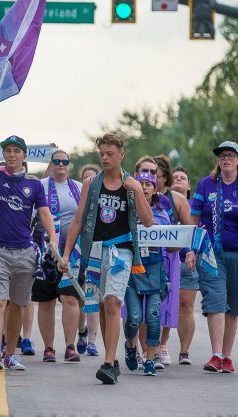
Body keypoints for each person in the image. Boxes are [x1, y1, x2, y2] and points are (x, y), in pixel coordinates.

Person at [64, 133, 153, 385]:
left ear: (121, 154)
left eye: (109, 153)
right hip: (95, 251)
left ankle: (109, 363)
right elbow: (79, 221)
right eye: (101, 153)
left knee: (113, 302)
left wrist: (137, 189)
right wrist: (68, 253)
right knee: (102, 305)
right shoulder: (92, 183)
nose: (104, 157)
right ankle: (111, 359)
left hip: (121, 251)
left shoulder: (130, 184)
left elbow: (148, 221)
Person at [0, 123, 54, 372]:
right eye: (7, 150)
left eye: (16, 151)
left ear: (24, 156)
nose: (11, 155)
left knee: (18, 305)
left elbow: (44, 212)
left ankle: (10, 354)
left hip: (25, 251)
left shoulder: (34, 185)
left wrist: (53, 239)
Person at [188, 140, 238, 374]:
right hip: (211, 254)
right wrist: (190, 249)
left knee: (234, 304)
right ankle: (216, 355)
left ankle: (227, 357)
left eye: (231, 155)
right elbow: (193, 219)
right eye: (222, 156)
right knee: (216, 301)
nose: (226, 159)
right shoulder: (206, 185)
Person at [121, 170, 177, 376]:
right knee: (134, 317)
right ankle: (130, 346)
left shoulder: (162, 214)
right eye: (140, 183)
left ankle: (150, 360)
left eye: (148, 184)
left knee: (153, 316)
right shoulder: (126, 211)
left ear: (155, 189)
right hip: (132, 270)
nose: (144, 187)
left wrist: (181, 241)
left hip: (155, 269)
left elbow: (171, 247)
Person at [34, 149, 84, 363]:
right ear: (51, 164)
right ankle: (48, 348)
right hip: (47, 251)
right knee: (47, 301)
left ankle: (70, 346)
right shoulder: (41, 186)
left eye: (65, 161)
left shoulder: (79, 188)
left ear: (69, 164)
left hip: (73, 252)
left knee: (70, 297)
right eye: (57, 161)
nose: (61, 165)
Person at [147, 155, 191, 367]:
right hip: (146, 256)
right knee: (144, 303)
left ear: (164, 178)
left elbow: (188, 230)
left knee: (167, 303)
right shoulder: (139, 196)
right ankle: (145, 348)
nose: (150, 179)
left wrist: (189, 252)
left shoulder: (176, 200)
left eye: (155, 175)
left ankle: (161, 345)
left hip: (170, 257)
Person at [170, 165, 197, 364]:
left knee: (186, 306)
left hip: (187, 261)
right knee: (161, 304)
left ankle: (184, 351)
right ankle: (160, 347)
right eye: (175, 177)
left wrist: (192, 251)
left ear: (189, 186)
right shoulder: (160, 202)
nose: (178, 179)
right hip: (166, 260)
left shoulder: (196, 206)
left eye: (183, 177)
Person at [75, 163, 101, 357]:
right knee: (79, 298)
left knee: (94, 296)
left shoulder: (107, 197)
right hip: (80, 250)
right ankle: (82, 330)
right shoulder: (78, 198)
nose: (91, 182)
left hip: (100, 251)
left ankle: (92, 341)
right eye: (87, 179)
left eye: (94, 178)